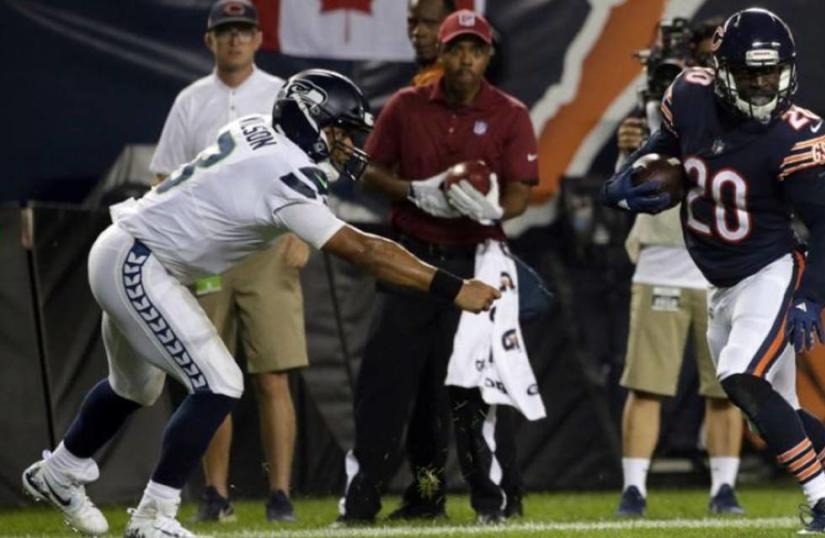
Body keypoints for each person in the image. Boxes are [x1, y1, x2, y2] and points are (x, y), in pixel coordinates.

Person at [21, 69, 500, 538]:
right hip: (140, 263)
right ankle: (154, 515)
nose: (346, 146)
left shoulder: (251, 129)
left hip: (130, 252)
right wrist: (455, 288)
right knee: (220, 381)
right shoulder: (286, 174)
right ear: (308, 121)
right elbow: (365, 250)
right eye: (339, 131)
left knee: (134, 389)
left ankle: (60, 471)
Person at [600, 8, 825, 533]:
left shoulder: (794, 135)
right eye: (748, 72)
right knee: (773, 411)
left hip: (769, 272)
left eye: (770, 70)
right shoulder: (688, 95)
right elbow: (668, 148)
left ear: (787, 68)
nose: (761, 83)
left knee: (740, 378)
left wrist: (810, 298)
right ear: (720, 70)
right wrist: (626, 178)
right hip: (720, 281)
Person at [340, 9, 539, 525]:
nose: (466, 58)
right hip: (411, 260)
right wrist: (414, 191)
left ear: (489, 55)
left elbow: (520, 192)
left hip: (476, 264)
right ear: (442, 53)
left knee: (474, 391)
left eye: (476, 49)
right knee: (385, 390)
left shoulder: (510, 112)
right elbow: (370, 172)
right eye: (457, 48)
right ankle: (370, 503)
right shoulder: (406, 106)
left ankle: (496, 504)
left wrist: (495, 207)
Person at [148, 0, 309, 522]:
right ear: (209, 40)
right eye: (226, 32)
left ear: (259, 39)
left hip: (268, 247)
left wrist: (308, 229)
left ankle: (280, 494)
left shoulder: (281, 96)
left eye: (243, 31)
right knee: (209, 377)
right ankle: (216, 494)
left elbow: (311, 166)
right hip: (207, 251)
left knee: (273, 377)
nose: (235, 40)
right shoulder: (191, 101)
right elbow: (162, 178)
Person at [614, 18, 745, 518]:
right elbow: (623, 195)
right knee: (646, 383)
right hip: (663, 260)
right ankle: (633, 489)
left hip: (719, 263)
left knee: (726, 387)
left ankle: (724, 488)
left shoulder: (739, 109)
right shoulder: (655, 108)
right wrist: (630, 150)